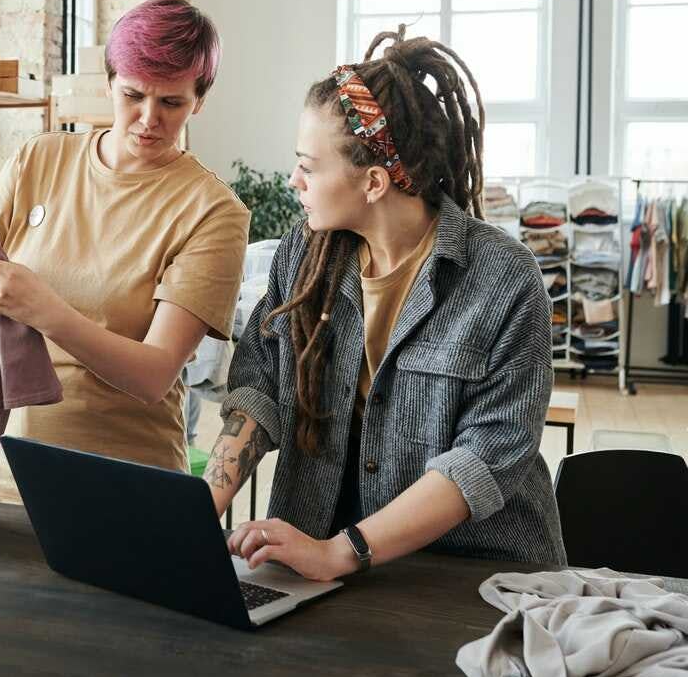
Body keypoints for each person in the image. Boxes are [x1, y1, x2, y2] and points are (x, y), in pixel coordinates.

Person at [206, 28, 566, 581]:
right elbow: (260, 389)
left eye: (309, 165)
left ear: (374, 182)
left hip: (470, 573)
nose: (294, 180)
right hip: (321, 550)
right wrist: (200, 508)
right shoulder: (305, 253)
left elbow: (484, 459)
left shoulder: (503, 278)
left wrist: (341, 551)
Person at [0, 0, 250, 503]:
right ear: (109, 83)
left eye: (172, 103)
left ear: (199, 100)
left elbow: (153, 375)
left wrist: (46, 311)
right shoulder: (38, 159)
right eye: (132, 95)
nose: (148, 119)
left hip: (120, 486)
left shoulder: (213, 211)